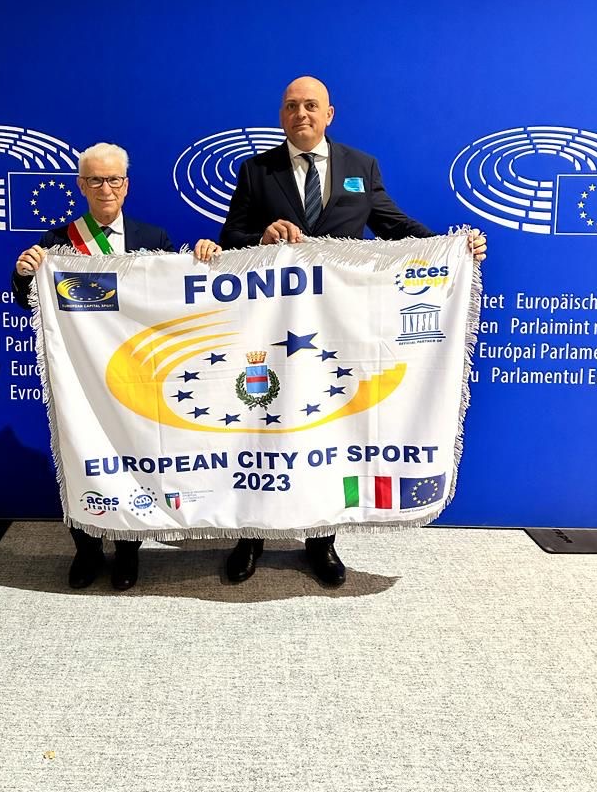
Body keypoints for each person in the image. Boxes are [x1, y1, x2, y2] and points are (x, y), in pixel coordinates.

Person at [204, 75, 487, 588]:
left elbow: (394, 226)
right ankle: (250, 536)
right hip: (269, 327)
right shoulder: (257, 171)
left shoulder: (361, 166)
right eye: (292, 106)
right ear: (282, 115)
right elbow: (231, 238)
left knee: (327, 425)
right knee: (261, 422)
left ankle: (322, 540)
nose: (301, 114)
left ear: (329, 114)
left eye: (311, 105)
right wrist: (261, 235)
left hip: (334, 327)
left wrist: (453, 247)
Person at [12, 142, 174, 593]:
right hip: (80, 378)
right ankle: (86, 550)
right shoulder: (57, 243)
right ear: (81, 186)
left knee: (135, 454)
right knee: (81, 455)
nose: (106, 188)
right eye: (96, 180)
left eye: (114, 179)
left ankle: (128, 549)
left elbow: (176, 298)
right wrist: (24, 274)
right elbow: (28, 300)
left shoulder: (154, 238)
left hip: (134, 375)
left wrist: (203, 256)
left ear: (127, 184)